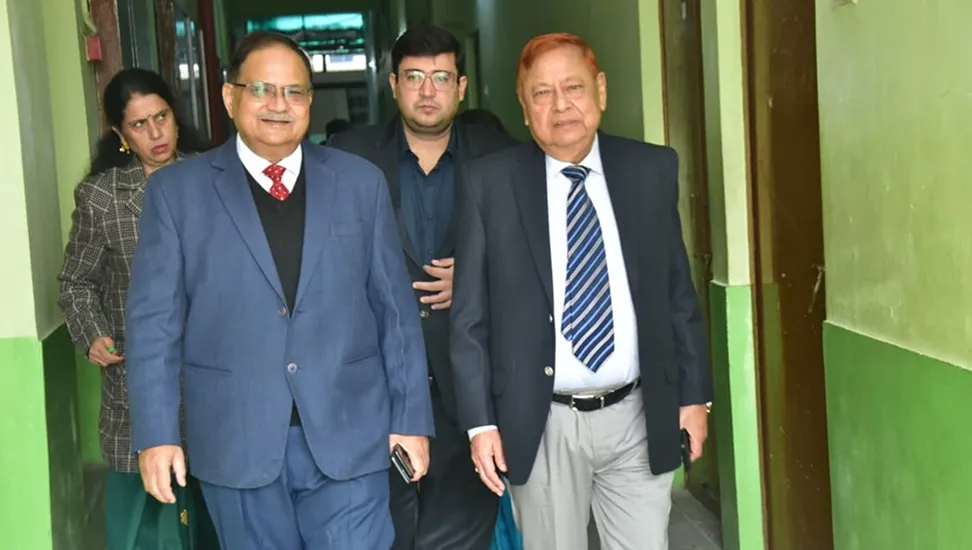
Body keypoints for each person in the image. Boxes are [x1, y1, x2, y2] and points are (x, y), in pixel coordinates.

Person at [124, 31, 434, 550]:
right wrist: (156, 434)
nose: (278, 105)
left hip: (350, 432)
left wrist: (411, 419)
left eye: (294, 92)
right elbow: (153, 324)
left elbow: (395, 313)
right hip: (236, 439)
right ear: (230, 97)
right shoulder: (177, 194)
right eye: (262, 89)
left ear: (310, 101)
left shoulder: (360, 184)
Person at [450, 33, 714, 550]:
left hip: (638, 412)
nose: (560, 105)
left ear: (601, 91)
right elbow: (469, 319)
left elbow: (677, 292)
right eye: (541, 93)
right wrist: (480, 424)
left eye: (573, 87)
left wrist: (694, 396)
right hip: (542, 420)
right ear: (524, 108)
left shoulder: (650, 170)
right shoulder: (490, 184)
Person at [329, 25, 517, 550]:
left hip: (472, 394)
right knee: (379, 536)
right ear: (393, 84)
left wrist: (480, 280)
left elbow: (537, 261)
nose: (427, 90)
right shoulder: (347, 157)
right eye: (414, 77)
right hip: (374, 392)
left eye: (441, 77)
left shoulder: (504, 157)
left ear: (461, 87)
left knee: (458, 538)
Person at [57, 68, 215, 549]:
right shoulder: (102, 197)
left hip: (216, 373)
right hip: (139, 378)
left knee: (217, 510)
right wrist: (92, 334)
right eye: (139, 125)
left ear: (175, 115)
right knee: (145, 519)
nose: (155, 133)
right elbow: (76, 281)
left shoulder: (214, 178)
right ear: (121, 134)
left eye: (161, 117)